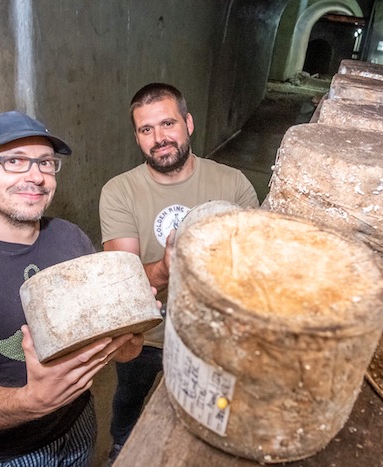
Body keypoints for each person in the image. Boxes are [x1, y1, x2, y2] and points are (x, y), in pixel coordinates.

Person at [0, 111, 145, 466]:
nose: (35, 176)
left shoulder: (70, 238)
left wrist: (129, 334)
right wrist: (34, 401)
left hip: (79, 425)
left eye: (45, 163)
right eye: (13, 161)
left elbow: (112, 344)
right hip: (6, 455)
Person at [99, 83, 260, 463]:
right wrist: (168, 268)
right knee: (129, 400)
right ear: (137, 138)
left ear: (188, 123)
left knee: (205, 418)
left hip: (211, 337)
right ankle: (121, 447)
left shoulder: (232, 183)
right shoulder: (119, 191)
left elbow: (254, 269)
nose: (159, 138)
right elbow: (123, 284)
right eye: (146, 130)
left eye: (168, 123)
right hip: (146, 335)